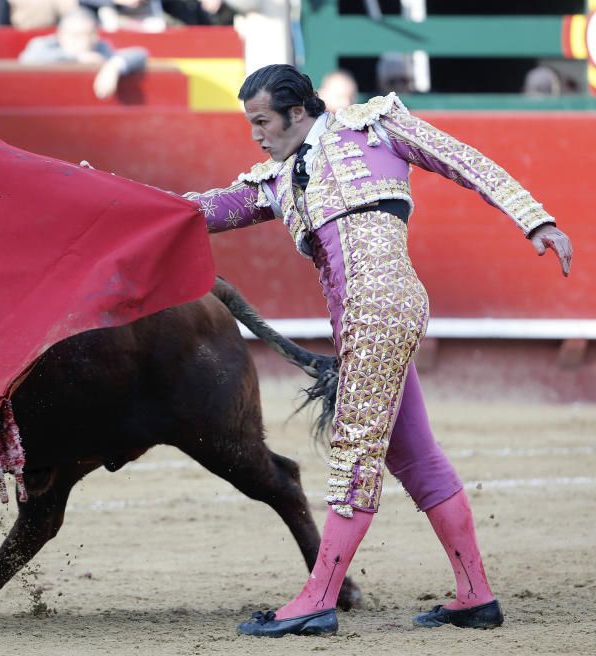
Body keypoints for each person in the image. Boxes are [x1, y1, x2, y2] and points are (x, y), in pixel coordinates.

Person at [181, 64, 572, 638]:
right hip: (363, 317)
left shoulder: (374, 126)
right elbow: (197, 210)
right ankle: (475, 596)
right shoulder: (277, 180)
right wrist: (112, 198)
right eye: (251, 125)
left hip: (378, 304)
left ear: (297, 111)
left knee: (354, 453)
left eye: (263, 121)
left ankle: (318, 597)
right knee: (415, 456)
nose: (257, 135)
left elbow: (462, 159)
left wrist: (535, 220)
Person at [18, 9, 148, 99]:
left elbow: (140, 54)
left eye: (89, 34)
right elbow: (27, 60)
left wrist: (113, 66)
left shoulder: (100, 47)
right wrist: (76, 58)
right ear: (61, 35)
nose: (84, 41)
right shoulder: (43, 44)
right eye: (76, 35)